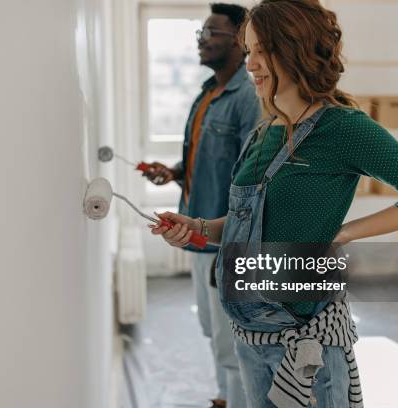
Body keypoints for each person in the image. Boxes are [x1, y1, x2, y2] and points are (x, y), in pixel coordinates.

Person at [149, 1, 398, 407]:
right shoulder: (266, 130)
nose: (250, 63)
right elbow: (249, 223)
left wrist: (343, 234)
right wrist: (200, 228)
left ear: (295, 49)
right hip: (251, 337)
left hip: (304, 343)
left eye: (263, 50)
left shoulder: (342, 127)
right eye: (249, 49)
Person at [142, 3, 260, 407]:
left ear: (241, 42)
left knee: (232, 341)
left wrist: (230, 243)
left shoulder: (249, 96)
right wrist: (175, 171)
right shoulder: (209, 94)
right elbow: (212, 156)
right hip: (198, 235)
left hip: (223, 241)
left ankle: (237, 400)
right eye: (201, 33)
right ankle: (225, 397)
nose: (202, 41)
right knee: (213, 330)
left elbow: (252, 176)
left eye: (212, 33)